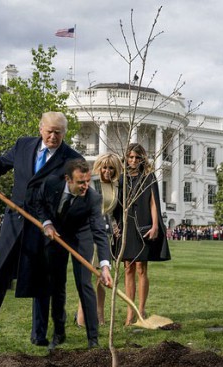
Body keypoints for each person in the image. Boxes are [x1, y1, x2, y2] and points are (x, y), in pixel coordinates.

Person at [0, 112, 83, 349]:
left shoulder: (72, 160)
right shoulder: (23, 145)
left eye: (59, 132)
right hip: (15, 222)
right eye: (49, 131)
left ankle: (39, 335)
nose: (53, 136)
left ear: (65, 133)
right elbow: (1, 163)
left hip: (46, 228)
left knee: (42, 283)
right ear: (40, 129)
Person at [33, 159, 113, 350]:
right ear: (68, 179)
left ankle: (93, 339)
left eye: (87, 181)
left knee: (84, 284)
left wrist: (104, 266)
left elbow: (100, 233)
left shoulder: (93, 198)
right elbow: (39, 203)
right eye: (80, 182)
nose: (86, 186)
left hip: (81, 236)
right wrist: (47, 223)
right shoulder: (51, 184)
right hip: (56, 235)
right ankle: (58, 333)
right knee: (57, 285)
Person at [113, 143, 170, 325]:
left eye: (137, 157)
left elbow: (154, 203)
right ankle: (130, 311)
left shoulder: (148, 177)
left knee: (141, 268)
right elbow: (114, 204)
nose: (133, 161)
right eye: (130, 157)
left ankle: (141, 309)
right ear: (126, 158)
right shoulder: (121, 179)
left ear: (142, 159)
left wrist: (155, 226)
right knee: (128, 267)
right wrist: (115, 225)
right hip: (126, 225)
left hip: (143, 225)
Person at [75, 153, 122, 328]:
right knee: (88, 276)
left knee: (103, 277)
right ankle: (81, 317)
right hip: (88, 234)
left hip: (105, 235)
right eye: (104, 167)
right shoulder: (90, 183)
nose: (107, 171)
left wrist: (116, 225)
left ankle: (100, 315)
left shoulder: (116, 186)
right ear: (98, 167)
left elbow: (115, 212)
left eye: (111, 168)